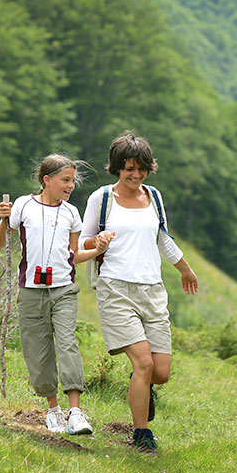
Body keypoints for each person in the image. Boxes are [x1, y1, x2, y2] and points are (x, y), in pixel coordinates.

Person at [79, 131, 198, 453]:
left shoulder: (154, 197)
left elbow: (162, 238)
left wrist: (185, 269)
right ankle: (141, 434)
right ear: (116, 167)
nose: (135, 175)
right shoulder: (100, 199)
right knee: (144, 364)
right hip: (115, 288)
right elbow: (80, 242)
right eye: (128, 168)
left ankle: (143, 388)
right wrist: (97, 242)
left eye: (141, 168)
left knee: (160, 373)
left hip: (153, 289)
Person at [0, 154, 106, 435]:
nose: (70, 186)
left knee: (67, 342)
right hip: (31, 290)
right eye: (65, 180)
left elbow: (75, 254)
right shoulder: (22, 205)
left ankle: (76, 412)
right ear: (47, 180)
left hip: (63, 289)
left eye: (72, 181)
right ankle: (53, 410)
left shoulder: (71, 213)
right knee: (38, 350)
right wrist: (3, 220)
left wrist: (98, 251)